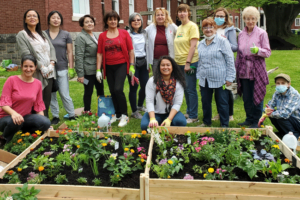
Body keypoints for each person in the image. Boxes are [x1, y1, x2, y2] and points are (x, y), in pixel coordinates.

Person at [0, 55, 51, 146]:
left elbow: (38, 106)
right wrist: (14, 113)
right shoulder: (11, 80)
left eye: (31, 66)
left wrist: (43, 121)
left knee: (45, 122)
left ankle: (25, 136)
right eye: (25, 66)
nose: (28, 69)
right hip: (6, 118)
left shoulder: (37, 83)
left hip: (24, 118)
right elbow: (4, 104)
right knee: (15, 121)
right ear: (21, 66)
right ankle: (4, 140)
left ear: (35, 67)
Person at [16, 9, 57, 118]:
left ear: (38, 20)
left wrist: (52, 64)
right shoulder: (22, 34)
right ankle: (34, 126)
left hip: (49, 72)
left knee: (46, 101)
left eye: (34, 16)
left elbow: (52, 48)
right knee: (35, 102)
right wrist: (41, 67)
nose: (32, 17)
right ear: (25, 19)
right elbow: (26, 54)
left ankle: (45, 124)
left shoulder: (42, 33)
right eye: (29, 16)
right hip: (36, 73)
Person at [97, 11, 135, 127]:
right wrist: (98, 70)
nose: (113, 21)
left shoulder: (124, 33)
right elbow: (99, 54)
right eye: (110, 19)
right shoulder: (102, 36)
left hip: (121, 65)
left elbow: (131, 51)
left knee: (118, 89)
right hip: (108, 66)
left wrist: (132, 65)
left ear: (118, 21)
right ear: (106, 21)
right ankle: (117, 114)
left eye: (115, 19)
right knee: (112, 90)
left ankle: (124, 115)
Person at [236, 6, 271, 128]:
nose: (250, 21)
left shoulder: (262, 33)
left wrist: (258, 51)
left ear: (257, 19)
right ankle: (248, 119)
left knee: (257, 95)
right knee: (246, 97)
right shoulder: (241, 34)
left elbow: (267, 52)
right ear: (244, 19)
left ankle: (257, 121)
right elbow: (239, 53)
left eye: (253, 18)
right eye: (247, 19)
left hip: (257, 69)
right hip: (244, 70)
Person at [197, 18, 235, 127]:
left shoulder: (223, 41)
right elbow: (200, 62)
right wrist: (199, 77)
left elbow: (230, 60)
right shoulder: (201, 44)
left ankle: (224, 125)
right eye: (205, 27)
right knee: (205, 102)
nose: (208, 30)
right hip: (205, 79)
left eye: (211, 27)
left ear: (215, 28)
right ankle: (206, 122)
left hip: (221, 79)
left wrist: (230, 78)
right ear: (202, 29)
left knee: (222, 103)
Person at [141, 56, 187, 131]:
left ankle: (166, 123)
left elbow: (177, 103)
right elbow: (149, 101)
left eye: (168, 65)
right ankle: (158, 123)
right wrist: (152, 118)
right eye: (163, 65)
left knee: (181, 122)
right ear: (159, 67)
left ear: (172, 67)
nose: (165, 67)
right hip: (155, 113)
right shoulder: (152, 81)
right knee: (144, 126)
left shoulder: (178, 82)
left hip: (170, 113)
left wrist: (169, 119)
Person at [46, 11, 76, 124]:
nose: (55, 20)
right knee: (52, 93)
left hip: (62, 67)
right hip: (48, 69)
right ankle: (55, 116)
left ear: (61, 20)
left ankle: (72, 114)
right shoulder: (43, 34)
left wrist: (71, 67)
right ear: (49, 20)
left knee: (64, 93)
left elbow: (69, 52)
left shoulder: (66, 34)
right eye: (53, 18)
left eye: (58, 18)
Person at [174, 4, 199, 124]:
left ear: (188, 13)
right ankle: (189, 111)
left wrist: (188, 63)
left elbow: (193, 46)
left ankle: (194, 115)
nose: (182, 14)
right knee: (185, 88)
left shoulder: (192, 26)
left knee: (191, 89)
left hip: (190, 62)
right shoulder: (179, 28)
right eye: (180, 12)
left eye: (184, 11)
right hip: (179, 63)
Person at [212, 7, 238, 122]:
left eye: (222, 16)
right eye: (217, 16)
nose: (219, 18)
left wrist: (224, 40)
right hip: (215, 65)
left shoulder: (230, 30)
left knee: (228, 90)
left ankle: (230, 114)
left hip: (227, 64)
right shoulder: (211, 28)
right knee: (218, 91)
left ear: (226, 18)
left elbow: (235, 47)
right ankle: (220, 113)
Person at [75, 14, 104, 113]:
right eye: (86, 22)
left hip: (97, 69)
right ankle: (87, 110)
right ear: (82, 25)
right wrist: (80, 75)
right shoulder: (81, 37)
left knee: (101, 90)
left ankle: (102, 110)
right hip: (87, 71)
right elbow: (79, 56)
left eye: (91, 21)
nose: (89, 24)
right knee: (89, 91)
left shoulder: (95, 35)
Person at [127, 13, 149, 119]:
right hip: (133, 63)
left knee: (145, 85)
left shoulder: (145, 33)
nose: (136, 22)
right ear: (130, 22)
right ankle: (134, 111)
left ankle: (140, 105)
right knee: (134, 87)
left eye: (138, 20)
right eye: (134, 20)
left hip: (144, 62)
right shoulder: (128, 34)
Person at [265, 74, 300, 139]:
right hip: (288, 118)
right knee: (274, 114)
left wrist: (271, 114)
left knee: (280, 116)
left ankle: (295, 135)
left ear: (289, 84)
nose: (280, 85)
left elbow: (285, 113)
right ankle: (284, 132)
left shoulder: (294, 94)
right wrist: (267, 110)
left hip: (297, 121)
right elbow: (270, 105)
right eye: (278, 83)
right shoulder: (277, 93)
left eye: (283, 83)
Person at [145, 7, 177, 73]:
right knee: (157, 78)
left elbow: (181, 33)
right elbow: (141, 34)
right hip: (155, 59)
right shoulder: (151, 27)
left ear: (166, 16)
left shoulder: (171, 26)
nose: (160, 17)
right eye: (158, 15)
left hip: (168, 59)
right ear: (155, 16)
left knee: (168, 77)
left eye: (162, 15)